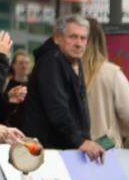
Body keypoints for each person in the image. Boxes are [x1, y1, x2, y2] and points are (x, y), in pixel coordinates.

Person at [18, 14, 105, 161]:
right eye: (73, 37)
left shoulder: (70, 60)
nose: (79, 43)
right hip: (47, 153)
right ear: (57, 38)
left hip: (63, 151)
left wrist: (85, 139)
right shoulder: (52, 61)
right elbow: (57, 109)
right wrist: (80, 141)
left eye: (83, 38)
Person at [82, 17, 129, 149]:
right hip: (105, 149)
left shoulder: (63, 71)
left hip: (68, 153)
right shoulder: (112, 73)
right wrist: (120, 132)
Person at [0, 49, 30, 124]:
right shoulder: (5, 84)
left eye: (27, 63)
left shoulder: (34, 84)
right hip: (10, 128)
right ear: (13, 65)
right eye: (21, 63)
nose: (24, 66)